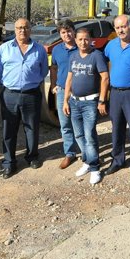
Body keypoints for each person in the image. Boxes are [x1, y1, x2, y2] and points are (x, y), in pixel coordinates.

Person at [0, 18, 49, 179]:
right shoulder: (4, 49)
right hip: (9, 94)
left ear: (30, 29)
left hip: (31, 94)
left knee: (31, 128)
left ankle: (32, 157)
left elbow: (43, 71)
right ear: (14, 30)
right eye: (19, 28)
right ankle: (9, 162)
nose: (22, 31)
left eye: (25, 27)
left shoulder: (39, 49)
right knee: (8, 130)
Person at [103, 14, 130, 185]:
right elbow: (105, 61)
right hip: (115, 93)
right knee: (116, 129)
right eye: (117, 27)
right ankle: (117, 160)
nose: (121, 30)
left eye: (124, 26)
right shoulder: (111, 45)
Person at [62, 28, 109, 185]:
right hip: (74, 102)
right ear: (75, 40)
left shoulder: (96, 56)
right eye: (80, 39)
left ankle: (95, 168)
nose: (83, 42)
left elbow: (105, 78)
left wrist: (102, 100)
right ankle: (88, 161)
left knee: (89, 135)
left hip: (90, 102)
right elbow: (69, 78)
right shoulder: (74, 56)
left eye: (86, 39)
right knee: (79, 135)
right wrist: (65, 100)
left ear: (91, 40)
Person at [49, 19, 81, 169]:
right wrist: (54, 85)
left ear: (74, 31)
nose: (67, 34)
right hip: (62, 91)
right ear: (60, 35)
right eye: (63, 32)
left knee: (83, 123)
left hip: (81, 91)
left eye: (69, 31)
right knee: (65, 124)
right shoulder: (56, 50)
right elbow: (54, 68)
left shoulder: (82, 46)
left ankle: (89, 153)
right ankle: (70, 153)